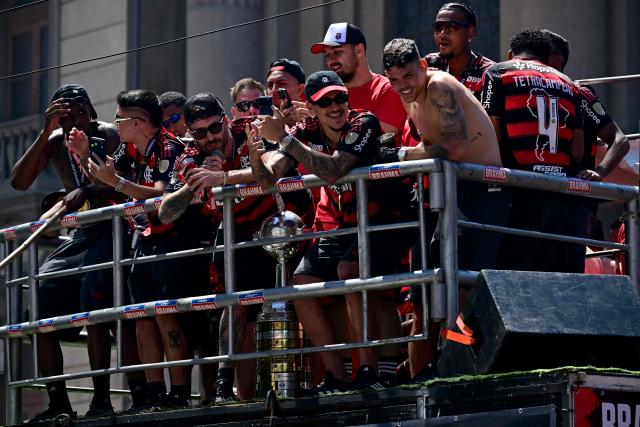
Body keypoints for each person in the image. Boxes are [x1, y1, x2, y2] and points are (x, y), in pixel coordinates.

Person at [252, 70, 416, 393]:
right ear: (311, 108)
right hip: (349, 227)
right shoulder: (306, 129)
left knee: (348, 270)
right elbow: (268, 180)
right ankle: (336, 375)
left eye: (340, 97)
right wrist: (257, 150)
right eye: (324, 102)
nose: (335, 106)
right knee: (300, 283)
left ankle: (368, 370)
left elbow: (333, 170)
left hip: (390, 221)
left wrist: (285, 139)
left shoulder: (363, 123)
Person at [11, 84, 146, 421]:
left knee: (95, 298)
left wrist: (84, 189)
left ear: (91, 110)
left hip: (114, 226)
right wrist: (47, 130)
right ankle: (58, 402)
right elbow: (19, 182)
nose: (74, 118)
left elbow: (125, 176)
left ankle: (101, 400)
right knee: (40, 305)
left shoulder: (110, 135)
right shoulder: (56, 142)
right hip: (83, 233)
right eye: (65, 113)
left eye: (79, 110)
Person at [171, 92, 312, 403]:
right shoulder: (188, 155)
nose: (209, 137)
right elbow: (168, 210)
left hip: (286, 222)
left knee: (290, 301)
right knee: (234, 304)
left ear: (225, 120)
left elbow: (273, 171)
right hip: (239, 231)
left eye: (214, 128)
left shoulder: (252, 129)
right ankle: (227, 386)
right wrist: (195, 183)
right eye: (200, 132)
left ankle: (300, 381)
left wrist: (221, 176)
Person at [382, 38, 509, 380]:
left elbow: (456, 148)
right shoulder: (411, 96)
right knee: (426, 291)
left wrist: (401, 155)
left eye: (408, 75)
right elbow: (431, 145)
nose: (402, 86)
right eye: (394, 80)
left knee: (464, 290)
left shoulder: (438, 86)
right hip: (447, 193)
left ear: (423, 66)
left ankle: (456, 369)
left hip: (482, 192)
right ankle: (421, 374)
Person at [88, 89, 193, 410]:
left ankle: (179, 392)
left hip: (175, 239)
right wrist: (82, 154)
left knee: (164, 314)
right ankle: (152, 391)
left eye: (119, 120)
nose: (115, 126)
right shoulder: (130, 149)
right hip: (145, 240)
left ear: (138, 122)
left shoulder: (170, 148)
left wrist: (119, 184)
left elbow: (160, 195)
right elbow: (105, 175)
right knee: (141, 317)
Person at [480, 29, 585, 273]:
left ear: (511, 53)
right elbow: (577, 151)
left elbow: (490, 134)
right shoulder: (568, 83)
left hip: (515, 192)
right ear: (547, 58)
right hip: (559, 195)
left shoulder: (498, 72)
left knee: (512, 278)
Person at [542, 30, 630, 182]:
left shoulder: (580, 93)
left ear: (557, 60)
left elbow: (620, 140)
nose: (526, 62)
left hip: (576, 196)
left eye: (534, 55)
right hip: (538, 188)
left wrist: (599, 172)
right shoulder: (525, 90)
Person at [311, 22, 406, 138]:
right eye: (327, 55)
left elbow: (369, 141)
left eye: (337, 52)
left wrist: (319, 123)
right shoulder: (324, 95)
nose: (331, 61)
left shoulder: (388, 89)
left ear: (359, 50)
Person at [426, 2, 494, 99]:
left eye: (451, 27)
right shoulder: (429, 64)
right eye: (438, 28)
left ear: (470, 33)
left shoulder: (490, 73)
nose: (442, 34)